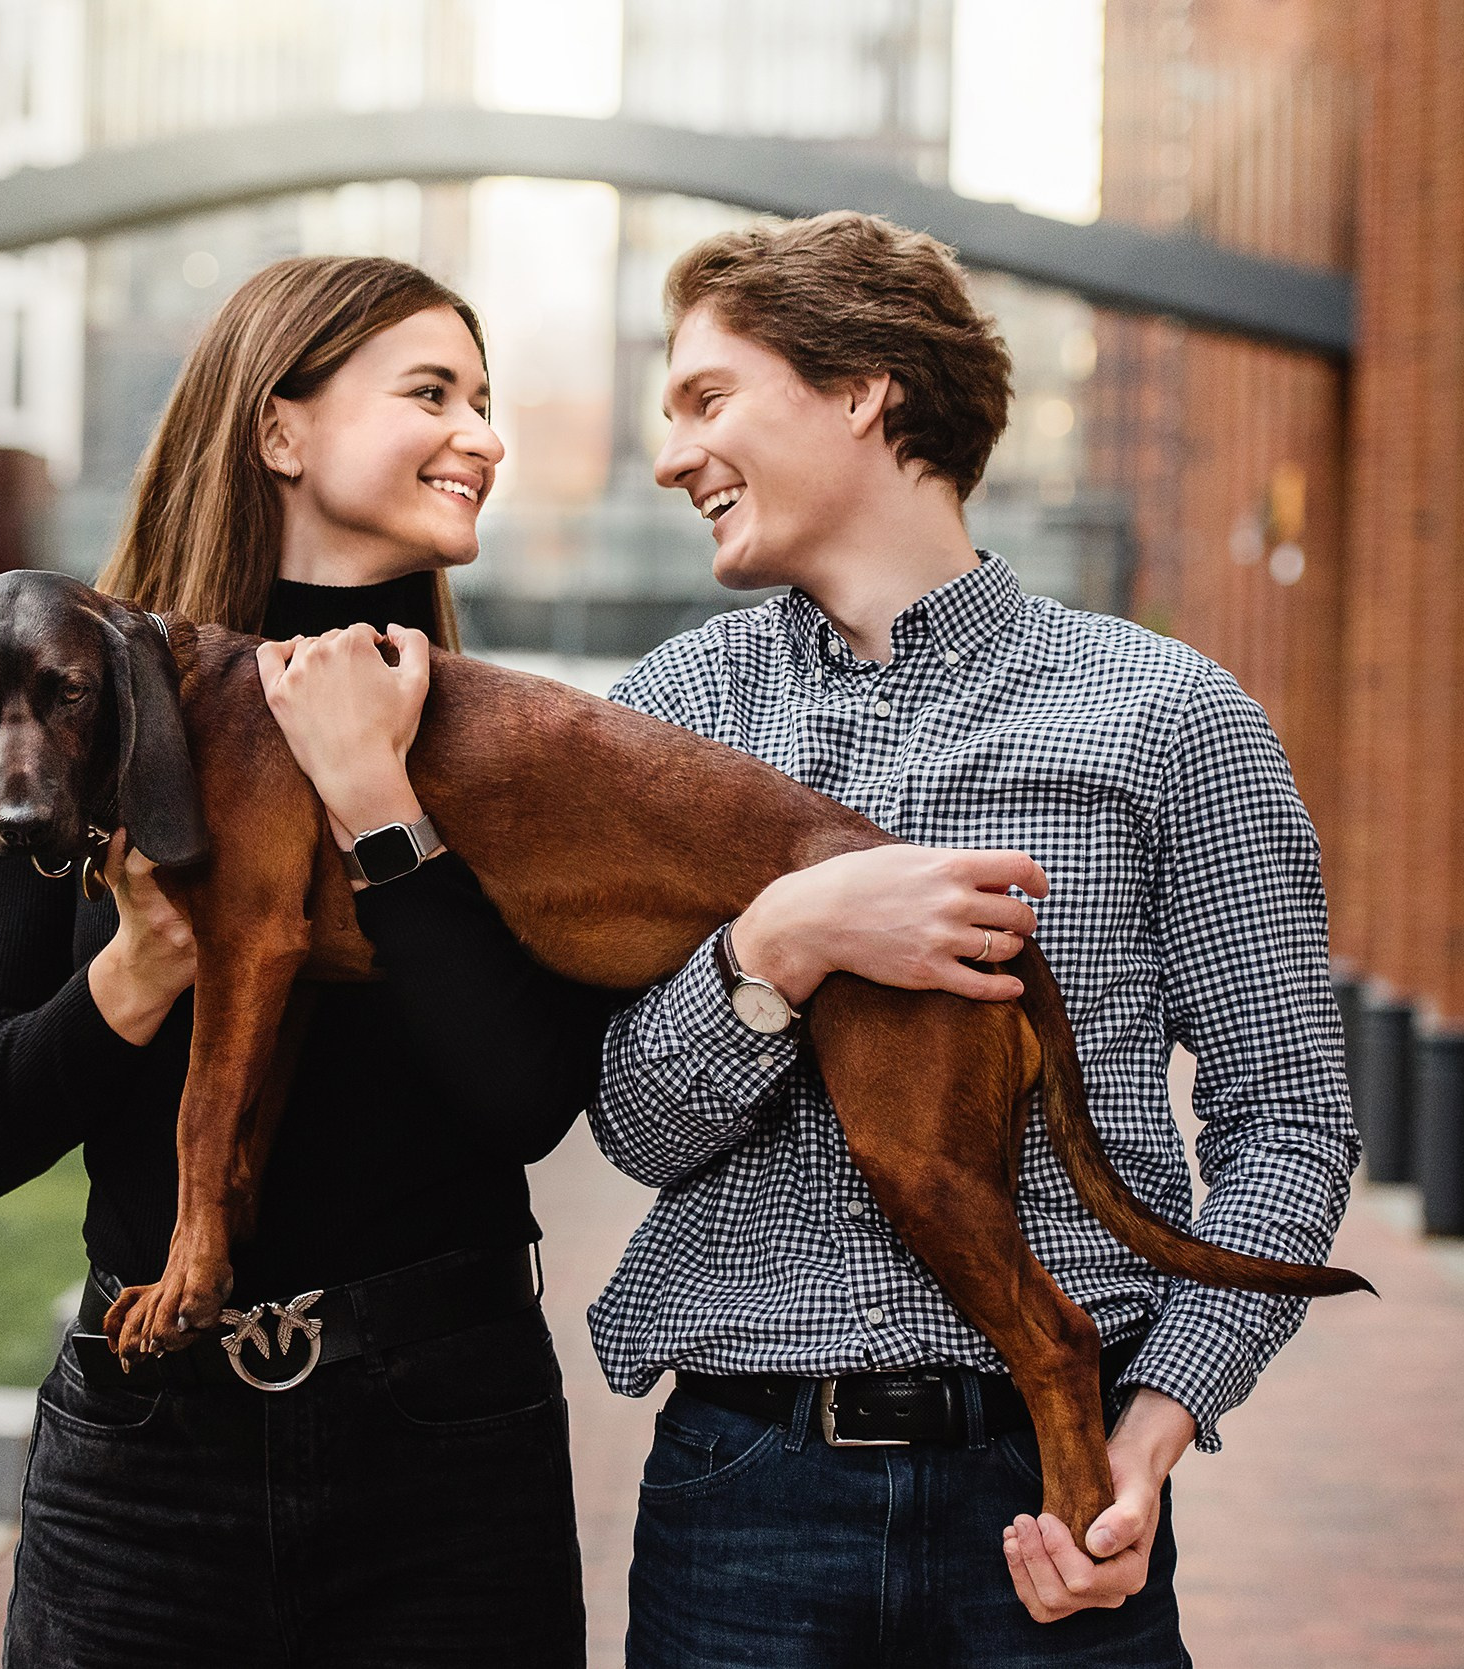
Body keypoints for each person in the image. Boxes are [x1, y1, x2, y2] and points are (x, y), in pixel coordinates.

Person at [592, 211, 1360, 1666]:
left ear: (865, 384)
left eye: (708, 399)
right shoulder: (668, 720)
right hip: (743, 1500)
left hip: (1053, 1489)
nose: (671, 455)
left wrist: (1149, 1432)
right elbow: (630, 1121)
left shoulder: (1171, 718)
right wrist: (779, 946)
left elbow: (1293, 1122)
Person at [0, 255, 613, 1667]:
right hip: (144, 1447)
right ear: (279, 430)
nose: (482, 434)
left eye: (485, 400)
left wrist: (380, 807)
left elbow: (525, 1099)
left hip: (446, 1444)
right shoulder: (72, 700)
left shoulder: (499, 738)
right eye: (433, 392)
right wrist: (145, 965)